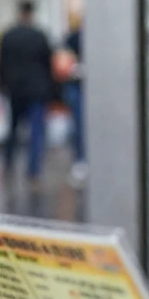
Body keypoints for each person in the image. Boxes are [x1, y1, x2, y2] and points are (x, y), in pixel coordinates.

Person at [0, 0, 53, 183]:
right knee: (35, 132)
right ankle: (33, 170)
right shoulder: (40, 36)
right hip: (36, 90)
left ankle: (8, 164)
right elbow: (48, 64)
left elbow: (1, 64)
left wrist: (2, 85)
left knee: (12, 129)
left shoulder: (8, 36)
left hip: (15, 90)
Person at [62, 21, 87, 187]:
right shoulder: (74, 38)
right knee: (78, 126)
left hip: (81, 88)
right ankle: (80, 160)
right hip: (78, 87)